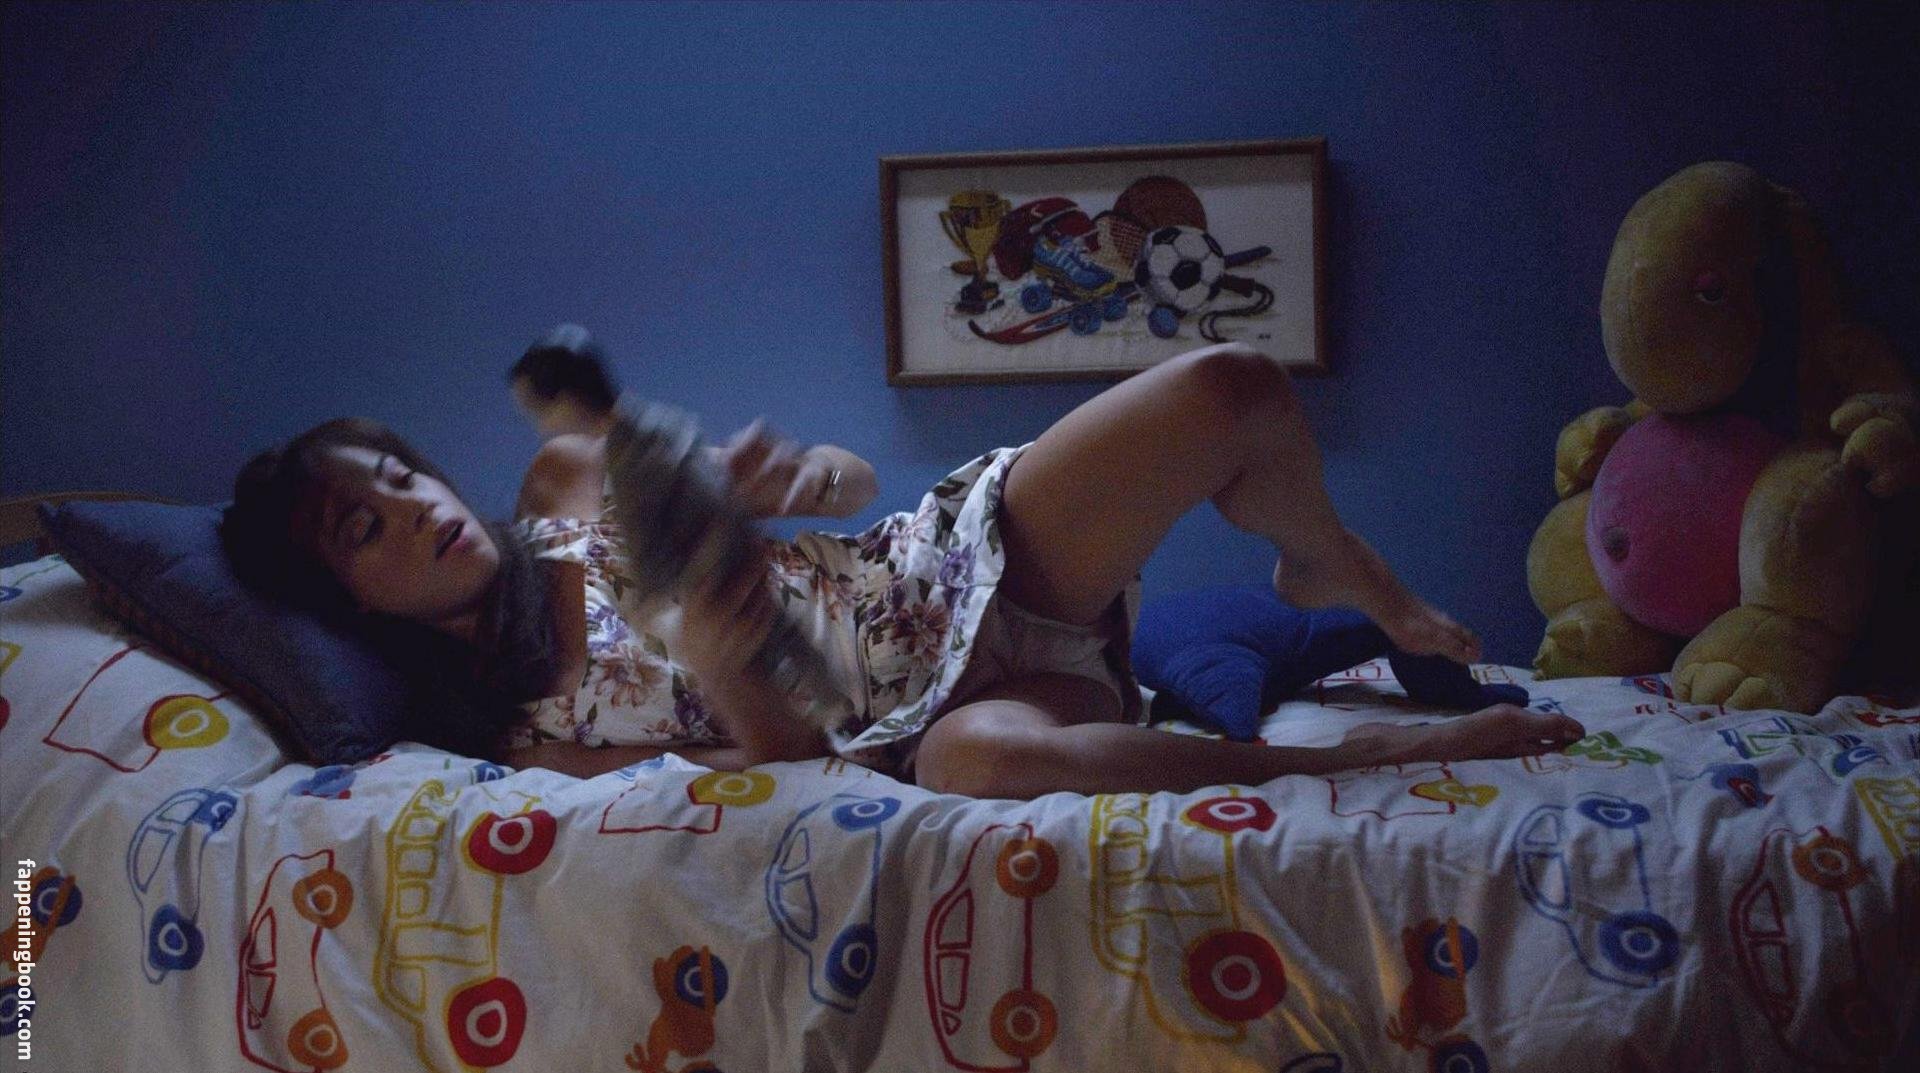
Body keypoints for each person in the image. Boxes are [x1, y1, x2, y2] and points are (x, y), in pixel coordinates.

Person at [224, 338, 1585, 797]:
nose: (411, 508)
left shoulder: (559, 490)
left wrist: (792, 483)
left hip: (950, 570)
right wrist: (726, 665)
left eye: (396, 475)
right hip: (933, 719)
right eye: (361, 525)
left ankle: (1323, 559)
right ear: (345, 599)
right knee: (970, 766)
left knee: (1231, 388)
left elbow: (848, 480)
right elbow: (781, 768)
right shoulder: (518, 741)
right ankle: (1366, 757)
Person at [507, 323, 622, 440]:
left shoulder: (627, 443)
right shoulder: (618, 439)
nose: (543, 430)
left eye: (540, 409)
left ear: (575, 395)